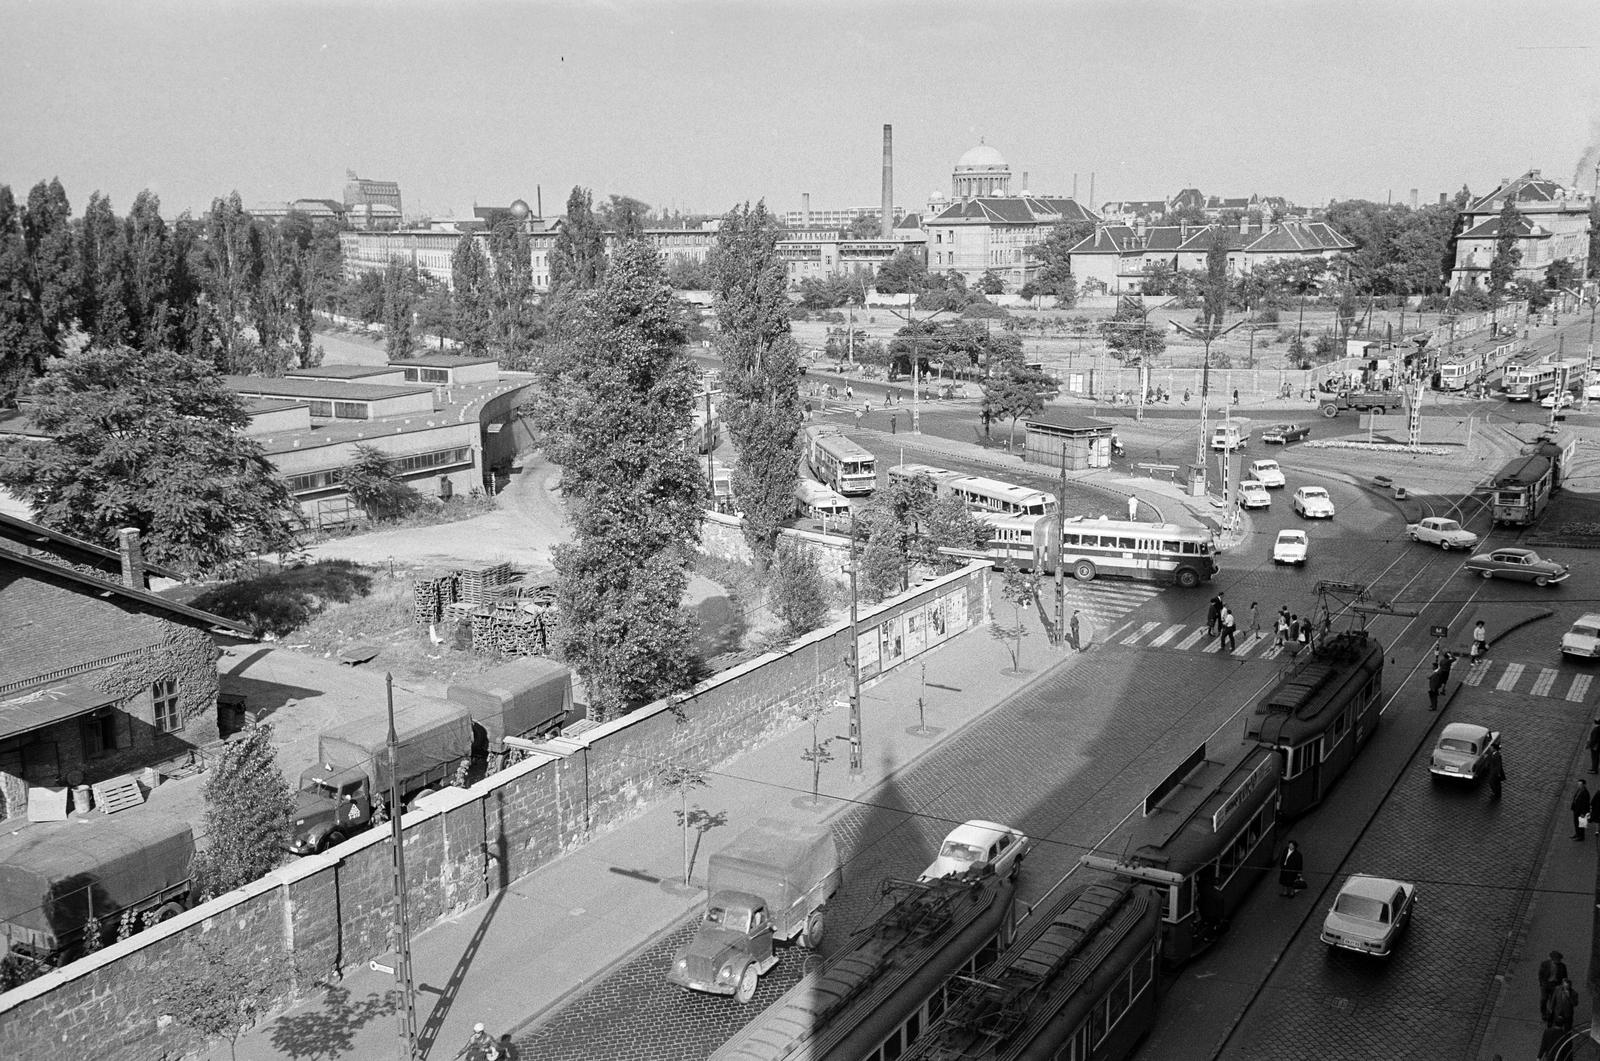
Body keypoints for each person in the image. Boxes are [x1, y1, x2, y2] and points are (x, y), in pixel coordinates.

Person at [1540, 951, 1569, 1021]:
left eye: (1559, 959)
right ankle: (1544, 1013)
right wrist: (1541, 983)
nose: (1558, 961)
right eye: (1557, 959)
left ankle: (1551, 1014)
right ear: (1552, 959)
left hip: (1555, 985)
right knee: (1543, 999)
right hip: (1546, 984)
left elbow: (1565, 977)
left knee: (1552, 1001)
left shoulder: (1562, 966)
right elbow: (1540, 974)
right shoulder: (1545, 964)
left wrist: (1563, 986)